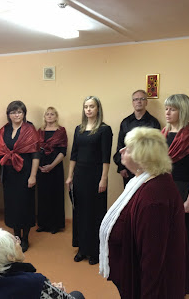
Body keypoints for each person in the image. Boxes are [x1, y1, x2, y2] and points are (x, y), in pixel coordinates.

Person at [99, 127, 189, 298]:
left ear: (141, 157)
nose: (121, 150)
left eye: (127, 148)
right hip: (131, 273)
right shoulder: (144, 180)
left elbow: (153, 258)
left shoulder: (154, 196)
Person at [65, 96, 112, 265]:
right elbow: (74, 155)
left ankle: (94, 251)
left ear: (98, 109)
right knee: (80, 212)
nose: (88, 109)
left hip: (96, 175)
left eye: (92, 106)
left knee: (95, 213)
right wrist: (70, 176)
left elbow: (106, 157)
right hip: (80, 175)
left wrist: (103, 179)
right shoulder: (79, 129)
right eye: (86, 107)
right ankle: (82, 248)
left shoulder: (104, 130)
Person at [163, 94, 189, 285]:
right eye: (166, 109)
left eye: (172, 109)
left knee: (184, 239)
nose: (167, 112)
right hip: (164, 191)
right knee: (165, 238)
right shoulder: (163, 133)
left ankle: (183, 281)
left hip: (184, 192)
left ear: (183, 110)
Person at [0, 228, 85, 299]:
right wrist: (57, 292)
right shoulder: (34, 282)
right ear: (11, 257)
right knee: (77, 295)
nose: (19, 242)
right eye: (16, 241)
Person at [0, 101, 39, 252]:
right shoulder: (3, 130)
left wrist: (33, 176)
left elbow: (35, 155)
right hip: (9, 173)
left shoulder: (29, 129)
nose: (16, 115)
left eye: (19, 112)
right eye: (13, 112)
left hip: (25, 172)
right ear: (8, 115)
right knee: (12, 205)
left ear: (24, 113)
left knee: (25, 205)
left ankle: (25, 238)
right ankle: (16, 236)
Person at [113, 90, 161, 186]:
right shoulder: (125, 122)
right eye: (136, 99)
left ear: (146, 102)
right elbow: (120, 145)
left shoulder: (153, 122)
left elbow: (157, 147)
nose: (139, 101)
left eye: (142, 99)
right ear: (132, 102)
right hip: (128, 168)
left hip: (147, 169)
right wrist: (121, 167)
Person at [36, 107, 67, 234]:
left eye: (52, 114)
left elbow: (63, 152)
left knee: (55, 195)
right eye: (47, 114)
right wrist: (37, 165)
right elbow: (35, 149)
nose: (49, 116)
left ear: (56, 116)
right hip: (40, 167)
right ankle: (43, 224)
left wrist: (52, 165)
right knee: (42, 196)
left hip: (55, 168)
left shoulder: (61, 131)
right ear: (44, 117)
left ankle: (55, 225)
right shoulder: (39, 131)